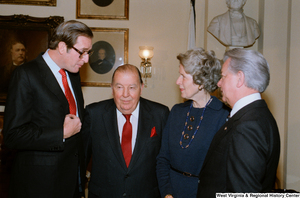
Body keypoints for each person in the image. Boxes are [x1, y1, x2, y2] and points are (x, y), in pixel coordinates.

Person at [3, 20, 93, 198]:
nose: (87, 59)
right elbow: (12, 136)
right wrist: (61, 133)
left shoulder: (72, 74)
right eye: (82, 52)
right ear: (61, 47)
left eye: (88, 53)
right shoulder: (25, 75)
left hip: (72, 183)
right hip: (39, 185)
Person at [197, 48, 280, 197]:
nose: (219, 83)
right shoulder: (259, 115)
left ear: (240, 78)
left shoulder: (248, 127)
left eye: (223, 76)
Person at [82, 64, 169, 197]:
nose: (125, 95)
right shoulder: (94, 114)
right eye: (119, 87)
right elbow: (81, 160)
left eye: (132, 88)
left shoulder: (160, 114)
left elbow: (167, 161)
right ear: (112, 88)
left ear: (141, 88)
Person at [156, 48, 230, 198]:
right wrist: (167, 193)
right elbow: (163, 158)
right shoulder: (177, 111)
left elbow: (224, 172)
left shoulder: (223, 115)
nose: (177, 81)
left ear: (200, 82)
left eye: (183, 76)